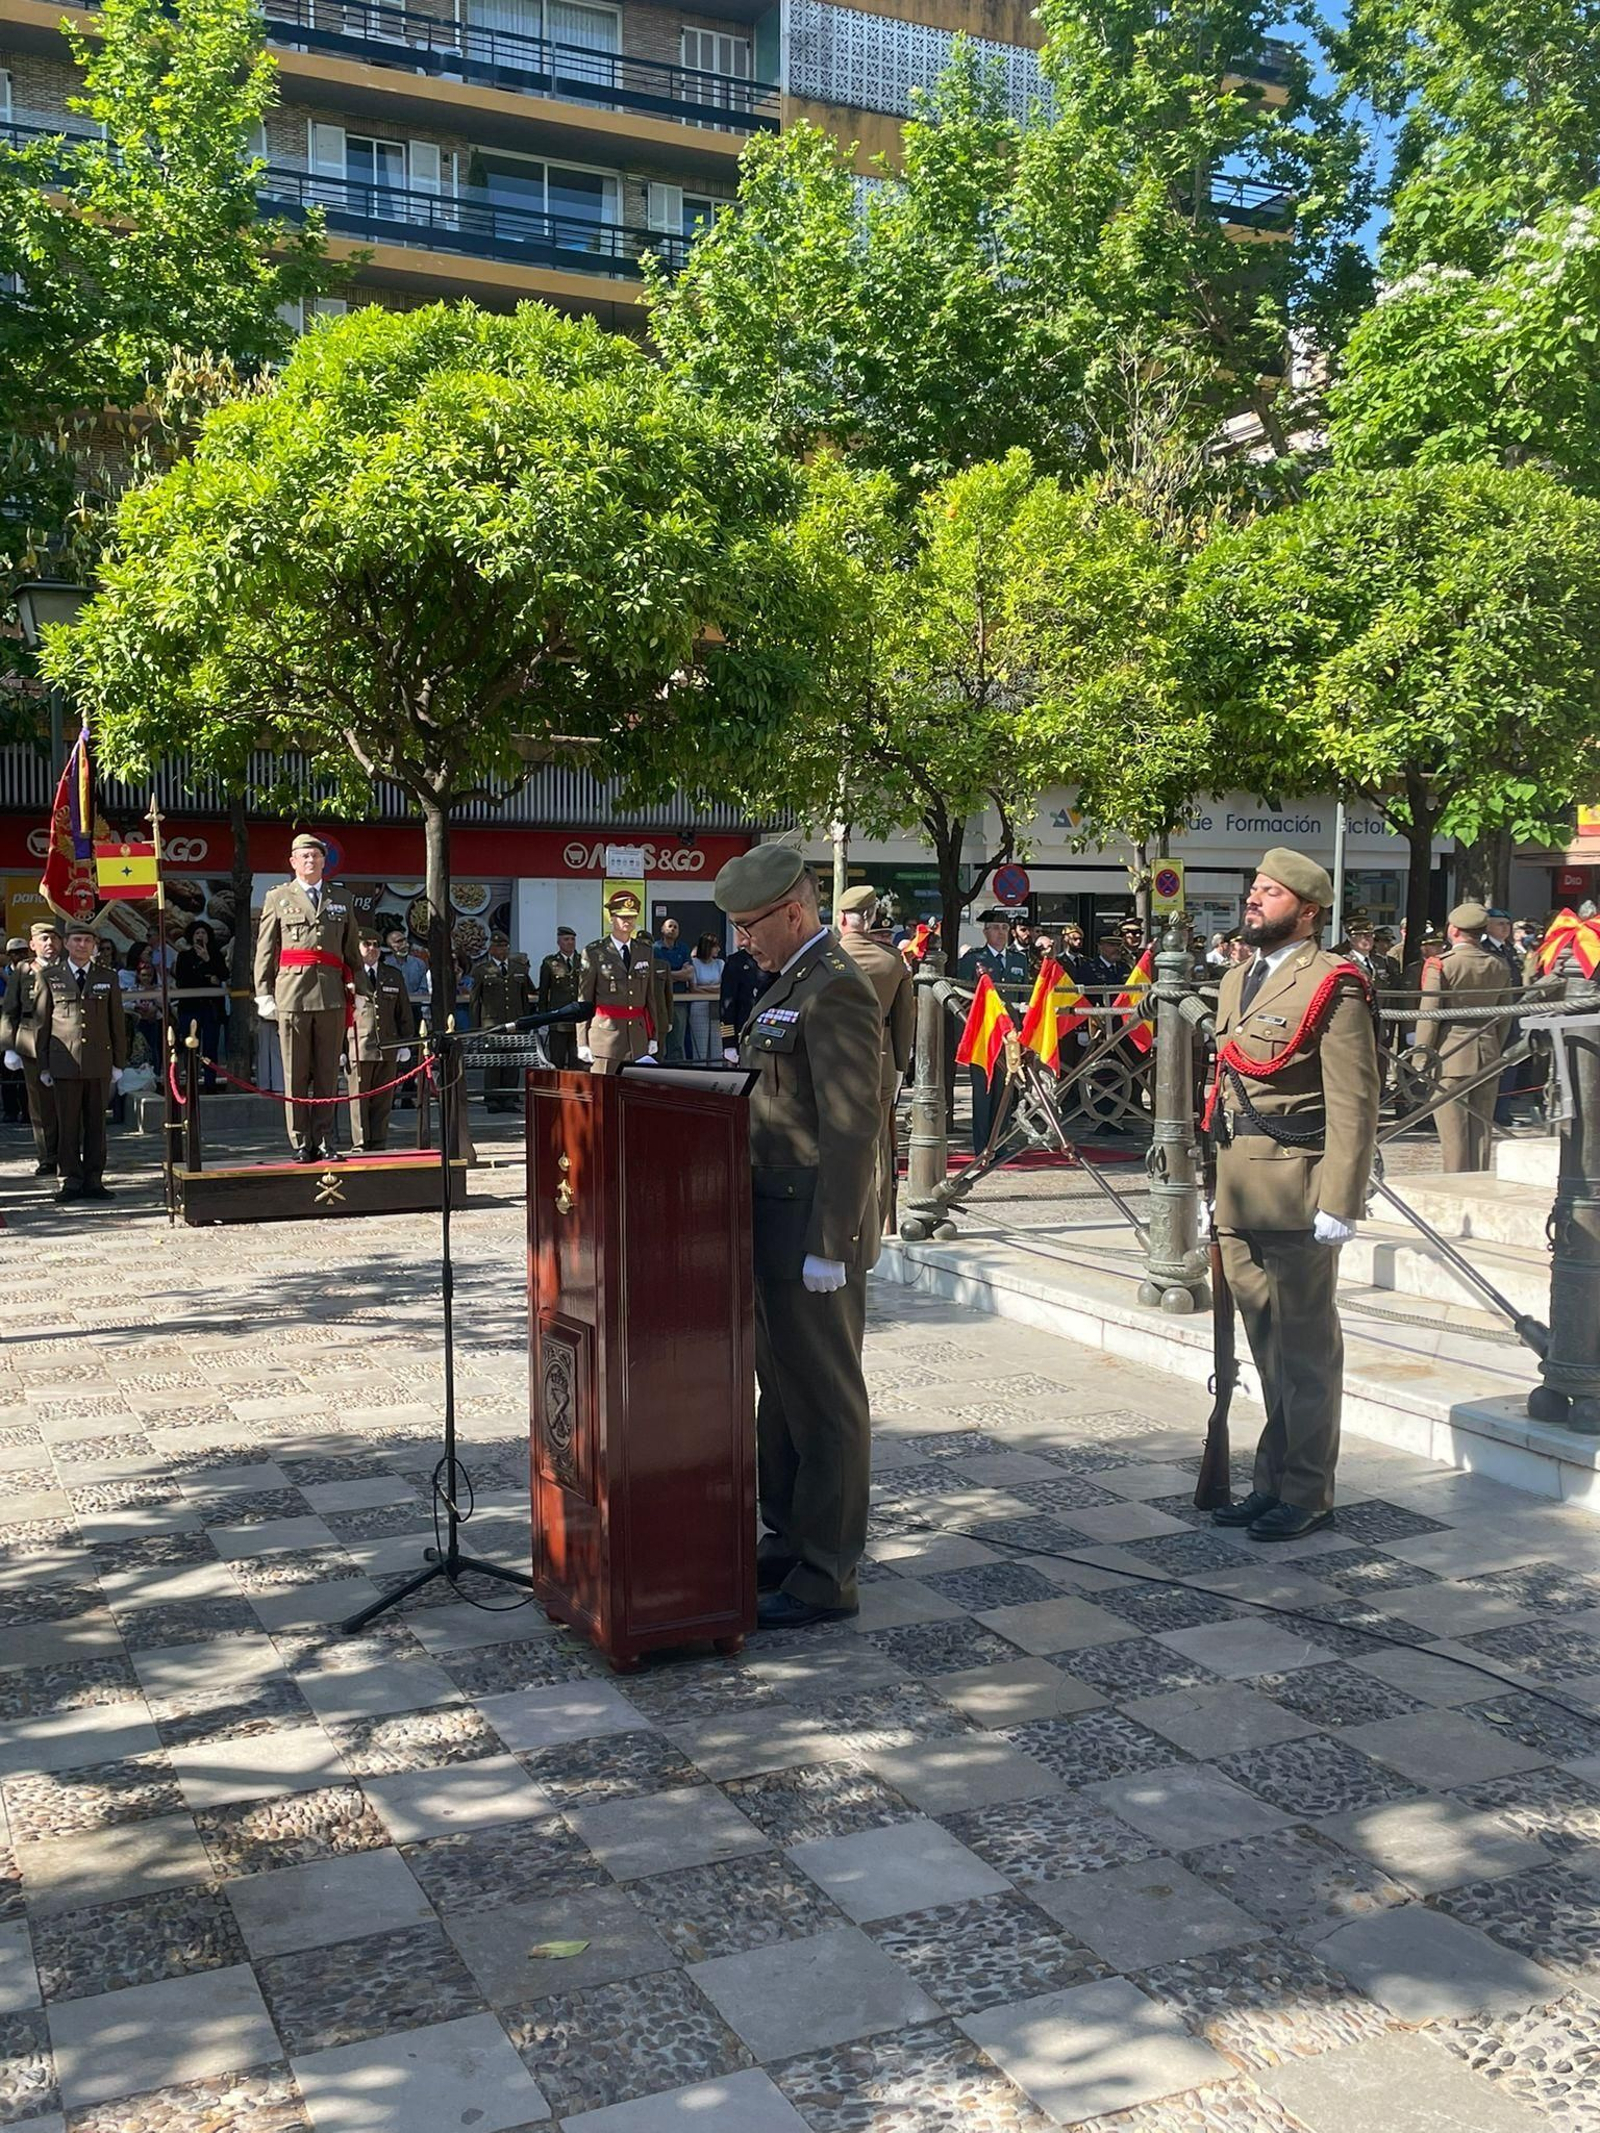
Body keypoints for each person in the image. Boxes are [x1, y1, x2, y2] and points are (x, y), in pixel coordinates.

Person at [712, 843, 880, 1629]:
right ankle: (787, 1536)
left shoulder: (836, 989)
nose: (743, 940)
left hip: (811, 1227)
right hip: (770, 1220)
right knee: (777, 1397)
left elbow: (853, 1128)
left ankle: (828, 1571)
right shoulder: (787, 981)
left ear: (793, 911)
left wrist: (832, 1244)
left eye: (751, 926)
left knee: (827, 1402)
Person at [1209, 847, 1380, 1542]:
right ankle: (1271, 1478)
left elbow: (1355, 1099)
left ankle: (1308, 1491)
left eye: (1270, 893)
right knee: (1267, 1350)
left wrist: (1341, 1199)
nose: (1254, 899)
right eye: (1254, 888)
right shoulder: (1235, 977)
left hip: (1298, 1189)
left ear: (1307, 911)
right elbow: (1225, 1093)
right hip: (1239, 1190)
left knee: (1306, 1355)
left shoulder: (1332, 982)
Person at [253, 833, 363, 1163]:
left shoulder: (341, 897)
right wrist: (263, 992)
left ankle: (326, 1138)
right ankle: (301, 1140)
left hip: (330, 995)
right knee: (296, 1073)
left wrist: (360, 989)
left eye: (316, 856)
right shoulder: (278, 897)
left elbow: (351, 950)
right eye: (304, 857)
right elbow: (265, 949)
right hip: (292, 994)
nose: (310, 861)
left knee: (328, 1072)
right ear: (293, 862)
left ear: (323, 861)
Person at [836, 884, 915, 1235]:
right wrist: (899, 1067)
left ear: (841, 919)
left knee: (835, 1137)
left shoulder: (828, 958)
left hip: (835, 1058)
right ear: (870, 918)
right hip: (881, 1055)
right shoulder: (892, 960)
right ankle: (882, 1223)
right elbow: (905, 1019)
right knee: (881, 1141)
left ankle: (843, 1221)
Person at [34, 912, 128, 1203]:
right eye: (77, 939)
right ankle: (71, 1180)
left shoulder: (107, 977)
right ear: (66, 943)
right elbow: (42, 1023)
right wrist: (44, 1064)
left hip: (99, 1061)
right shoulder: (50, 976)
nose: (82, 945)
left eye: (88, 940)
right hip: (64, 1062)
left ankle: (94, 1179)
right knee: (68, 1124)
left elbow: (117, 1023)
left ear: (95, 945)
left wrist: (119, 1063)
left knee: (97, 1124)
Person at [1423, 901, 1512, 1171]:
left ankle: (1456, 1185)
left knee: (1453, 1136)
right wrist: (1496, 1045)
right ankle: (1478, 1183)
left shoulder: (1440, 965)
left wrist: (1421, 1060)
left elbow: (1430, 1016)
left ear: (1453, 930)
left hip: (1450, 1054)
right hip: (1488, 1052)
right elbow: (1505, 1016)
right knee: (1482, 1131)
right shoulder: (1499, 965)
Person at [955, 909, 1029, 1149]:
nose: (1001, 932)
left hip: (1011, 1035)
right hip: (985, 1035)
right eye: (996, 928)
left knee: (1006, 1091)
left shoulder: (1019, 960)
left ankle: (1000, 1143)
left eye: (1005, 928)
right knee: (983, 1091)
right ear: (986, 931)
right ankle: (982, 1146)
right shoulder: (973, 960)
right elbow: (964, 999)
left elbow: (1022, 997)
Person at [578, 890, 664, 1075]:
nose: (628, 921)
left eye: (632, 917)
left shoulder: (644, 951)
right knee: (604, 1092)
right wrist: (582, 1042)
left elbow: (650, 996)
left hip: (637, 1037)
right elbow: (584, 1000)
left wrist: (653, 1035)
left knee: (634, 1092)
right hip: (606, 1038)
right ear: (611, 918)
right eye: (622, 917)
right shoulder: (595, 952)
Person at [0, 921, 61, 1175]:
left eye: (53, 939)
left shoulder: (68, 968)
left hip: (63, 1043)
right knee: (39, 1104)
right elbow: (10, 1010)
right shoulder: (24, 971)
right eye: (43, 939)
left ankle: (69, 1153)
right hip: (31, 1043)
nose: (49, 944)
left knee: (68, 1102)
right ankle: (47, 1156)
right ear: (32, 945)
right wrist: (9, 1047)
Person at [347, 926, 416, 1150]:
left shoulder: (392, 975)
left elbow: (403, 1012)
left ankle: (378, 1140)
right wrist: (339, 1048)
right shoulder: (349, 974)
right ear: (358, 948)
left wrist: (405, 1043)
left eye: (376, 945)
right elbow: (340, 1014)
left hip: (388, 1045)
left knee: (383, 1099)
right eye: (367, 944)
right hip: (358, 1045)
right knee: (359, 1099)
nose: (372, 949)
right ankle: (360, 1141)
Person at [469, 931, 536, 1110]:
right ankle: (492, 1098)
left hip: (514, 1022)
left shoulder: (518, 969)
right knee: (493, 1061)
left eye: (505, 946)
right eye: (498, 946)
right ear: (491, 950)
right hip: (492, 1023)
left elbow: (524, 999)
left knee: (512, 1061)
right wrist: (476, 1028)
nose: (502, 950)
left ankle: (508, 1098)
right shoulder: (481, 970)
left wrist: (525, 1022)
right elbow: (475, 1000)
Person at [175, 920, 229, 1092]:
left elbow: (223, 975)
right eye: (197, 933)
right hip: (190, 1008)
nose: (200, 936)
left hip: (211, 1008)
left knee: (210, 1048)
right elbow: (183, 981)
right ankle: (191, 1082)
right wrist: (208, 977)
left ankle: (210, 1083)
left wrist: (207, 960)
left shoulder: (215, 955)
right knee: (190, 1047)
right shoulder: (184, 957)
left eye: (203, 933)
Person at [536, 926, 582, 1070]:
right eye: (566, 939)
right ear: (559, 942)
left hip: (578, 1019)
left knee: (577, 1059)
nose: (570, 942)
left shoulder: (583, 961)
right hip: (558, 1019)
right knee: (557, 1058)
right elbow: (543, 992)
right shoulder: (550, 963)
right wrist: (543, 1018)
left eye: (572, 939)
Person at [653, 916, 693, 1063]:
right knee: (660, 1040)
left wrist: (667, 975)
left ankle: (677, 1071)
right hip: (661, 1001)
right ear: (662, 930)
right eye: (670, 926)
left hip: (680, 1001)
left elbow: (689, 974)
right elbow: (656, 974)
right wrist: (678, 974)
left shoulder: (683, 948)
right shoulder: (655, 948)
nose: (673, 929)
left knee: (677, 1041)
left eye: (676, 927)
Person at [719, 943, 769, 1056]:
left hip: (769, 1034)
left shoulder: (775, 959)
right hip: (744, 1034)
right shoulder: (736, 961)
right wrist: (728, 1043)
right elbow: (727, 1005)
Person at [687, 932, 725, 1062]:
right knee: (700, 1048)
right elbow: (693, 988)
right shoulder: (694, 963)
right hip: (698, 1006)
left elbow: (723, 987)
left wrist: (703, 988)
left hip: (716, 1007)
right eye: (715, 946)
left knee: (717, 1046)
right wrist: (714, 988)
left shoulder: (720, 963)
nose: (718, 949)